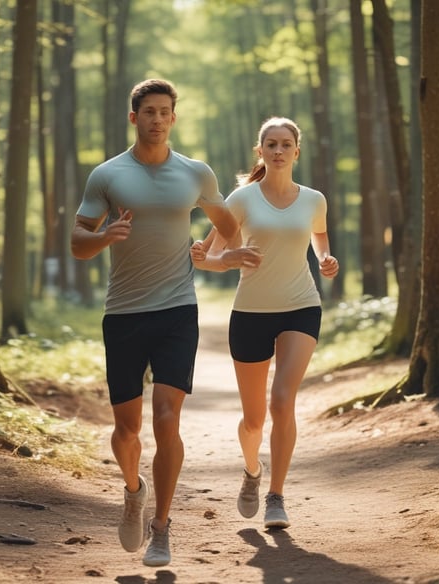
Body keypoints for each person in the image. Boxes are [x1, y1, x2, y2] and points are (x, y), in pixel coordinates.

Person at [70, 78, 238, 566]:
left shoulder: (195, 173)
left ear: (174, 118)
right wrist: (106, 236)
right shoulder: (107, 175)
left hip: (177, 311)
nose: (157, 120)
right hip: (123, 313)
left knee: (167, 419)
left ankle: (162, 526)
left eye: (165, 112)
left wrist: (206, 250)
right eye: (149, 112)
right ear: (134, 117)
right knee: (126, 430)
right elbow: (78, 243)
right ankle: (133, 491)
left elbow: (229, 225)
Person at [190, 116, 339, 530]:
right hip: (251, 313)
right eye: (271, 144)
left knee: (282, 401)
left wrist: (325, 259)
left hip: (301, 307)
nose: (278, 151)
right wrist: (228, 259)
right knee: (254, 420)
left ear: (296, 151)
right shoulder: (241, 199)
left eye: (285, 144)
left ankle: (276, 496)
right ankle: (252, 470)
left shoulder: (314, 200)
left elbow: (319, 236)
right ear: (260, 151)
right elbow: (205, 257)